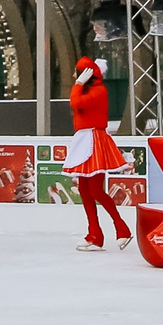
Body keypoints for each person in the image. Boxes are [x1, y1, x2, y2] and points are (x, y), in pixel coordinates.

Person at [64, 55, 132, 251]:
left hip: (95, 141)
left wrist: (78, 84)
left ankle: (122, 228)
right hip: (84, 139)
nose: (73, 76)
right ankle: (94, 233)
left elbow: (75, 102)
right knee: (85, 190)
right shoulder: (91, 90)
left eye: (77, 73)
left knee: (95, 190)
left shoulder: (99, 91)